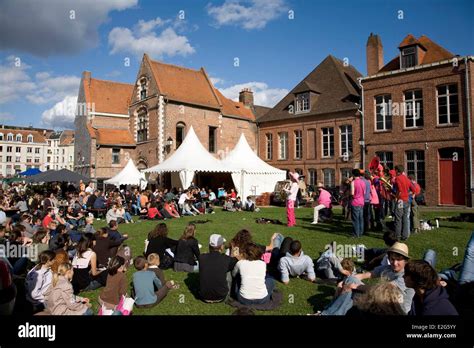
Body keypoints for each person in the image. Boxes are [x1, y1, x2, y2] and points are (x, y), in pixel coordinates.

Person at [199, 234, 238, 303]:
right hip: (221, 296)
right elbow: (234, 261)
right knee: (228, 271)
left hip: (203, 296)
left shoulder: (202, 257)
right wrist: (232, 252)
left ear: (209, 245)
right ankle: (231, 293)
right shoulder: (226, 259)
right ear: (222, 247)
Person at [393, 165, 416, 241]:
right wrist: (408, 193)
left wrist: (396, 197)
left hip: (400, 200)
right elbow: (413, 189)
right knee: (405, 218)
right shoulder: (406, 179)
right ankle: (405, 235)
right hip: (406, 200)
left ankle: (397, 236)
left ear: (397, 170)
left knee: (398, 218)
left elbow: (399, 190)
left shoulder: (398, 178)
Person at [350, 169, 366, 238]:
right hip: (361, 201)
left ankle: (356, 234)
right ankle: (361, 232)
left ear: (353, 175)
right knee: (360, 218)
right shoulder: (363, 182)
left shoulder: (353, 182)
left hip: (355, 201)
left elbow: (352, 193)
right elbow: (364, 192)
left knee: (355, 219)